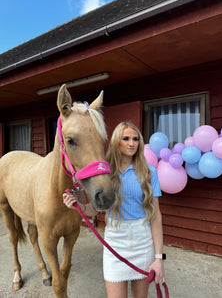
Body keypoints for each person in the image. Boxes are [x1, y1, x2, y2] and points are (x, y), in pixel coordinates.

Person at [63, 121, 165, 298]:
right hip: (115, 242)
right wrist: (78, 206)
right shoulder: (105, 173)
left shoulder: (150, 172)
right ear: (117, 141)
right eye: (126, 138)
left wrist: (159, 258)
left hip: (142, 242)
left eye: (135, 139)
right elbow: (94, 211)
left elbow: (155, 216)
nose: (132, 143)